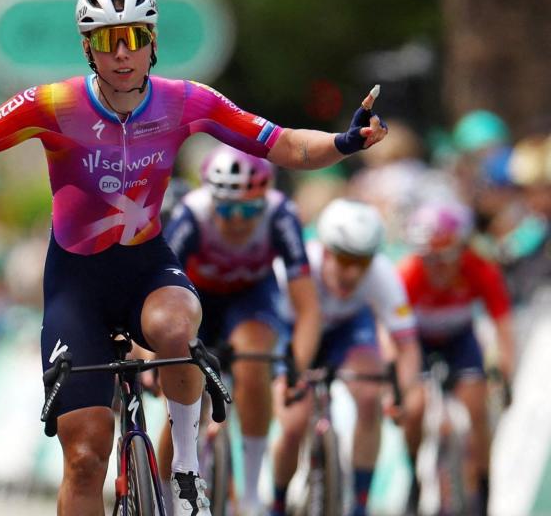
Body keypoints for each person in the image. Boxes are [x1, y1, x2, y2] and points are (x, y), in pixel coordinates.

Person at [0, 0, 390, 516]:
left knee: (177, 327)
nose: (122, 54)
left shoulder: (186, 100)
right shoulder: (51, 104)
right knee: (84, 458)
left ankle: (188, 469)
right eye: (106, 41)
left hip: (146, 268)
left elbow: (284, 145)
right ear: (88, 50)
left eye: (134, 39)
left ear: (152, 45)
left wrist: (345, 141)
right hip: (77, 287)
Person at [157, 145, 320, 515]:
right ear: (210, 197)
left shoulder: (281, 215)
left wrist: (296, 365)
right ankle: (163, 494)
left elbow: (308, 308)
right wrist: (152, 357)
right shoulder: (191, 215)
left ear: (265, 198)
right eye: (227, 208)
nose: (237, 220)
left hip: (251, 299)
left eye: (248, 209)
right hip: (195, 300)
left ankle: (250, 491)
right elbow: (158, 295)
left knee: (253, 361)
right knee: (187, 396)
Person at [271, 199, 421, 516]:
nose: (352, 272)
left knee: (369, 394)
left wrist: (399, 394)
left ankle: (360, 504)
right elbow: (268, 328)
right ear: (325, 251)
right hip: (293, 329)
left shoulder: (381, 273)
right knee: (294, 423)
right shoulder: (297, 267)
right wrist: (286, 377)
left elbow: (407, 347)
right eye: (343, 259)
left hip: (347, 330)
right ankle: (278, 502)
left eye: (362, 262)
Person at [398, 201, 515, 514]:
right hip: (417, 341)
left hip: (460, 339)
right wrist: (396, 381)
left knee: (476, 409)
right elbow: (390, 333)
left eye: (445, 257)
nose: (436, 267)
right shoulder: (407, 274)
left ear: (461, 249)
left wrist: (506, 369)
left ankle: (485, 480)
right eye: (428, 258)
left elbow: (502, 324)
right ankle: (414, 475)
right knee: (414, 409)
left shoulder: (481, 269)